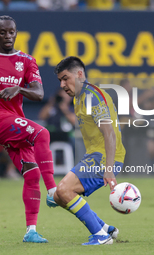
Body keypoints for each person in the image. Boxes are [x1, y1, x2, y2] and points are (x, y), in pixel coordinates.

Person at [0, 15, 57, 243]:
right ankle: (52, 191)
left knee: (32, 173)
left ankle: (31, 231)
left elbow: (38, 93)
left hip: (14, 122)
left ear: (16, 33)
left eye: (12, 32)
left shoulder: (27, 61)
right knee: (43, 133)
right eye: (3, 32)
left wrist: (18, 89)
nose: (8, 36)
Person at [49, 56, 126, 245]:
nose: (62, 84)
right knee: (58, 196)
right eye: (60, 80)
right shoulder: (79, 98)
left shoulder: (93, 96)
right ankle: (104, 228)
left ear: (80, 74)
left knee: (64, 190)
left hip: (105, 158)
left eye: (65, 78)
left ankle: (101, 237)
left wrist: (109, 169)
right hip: (95, 156)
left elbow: (109, 134)